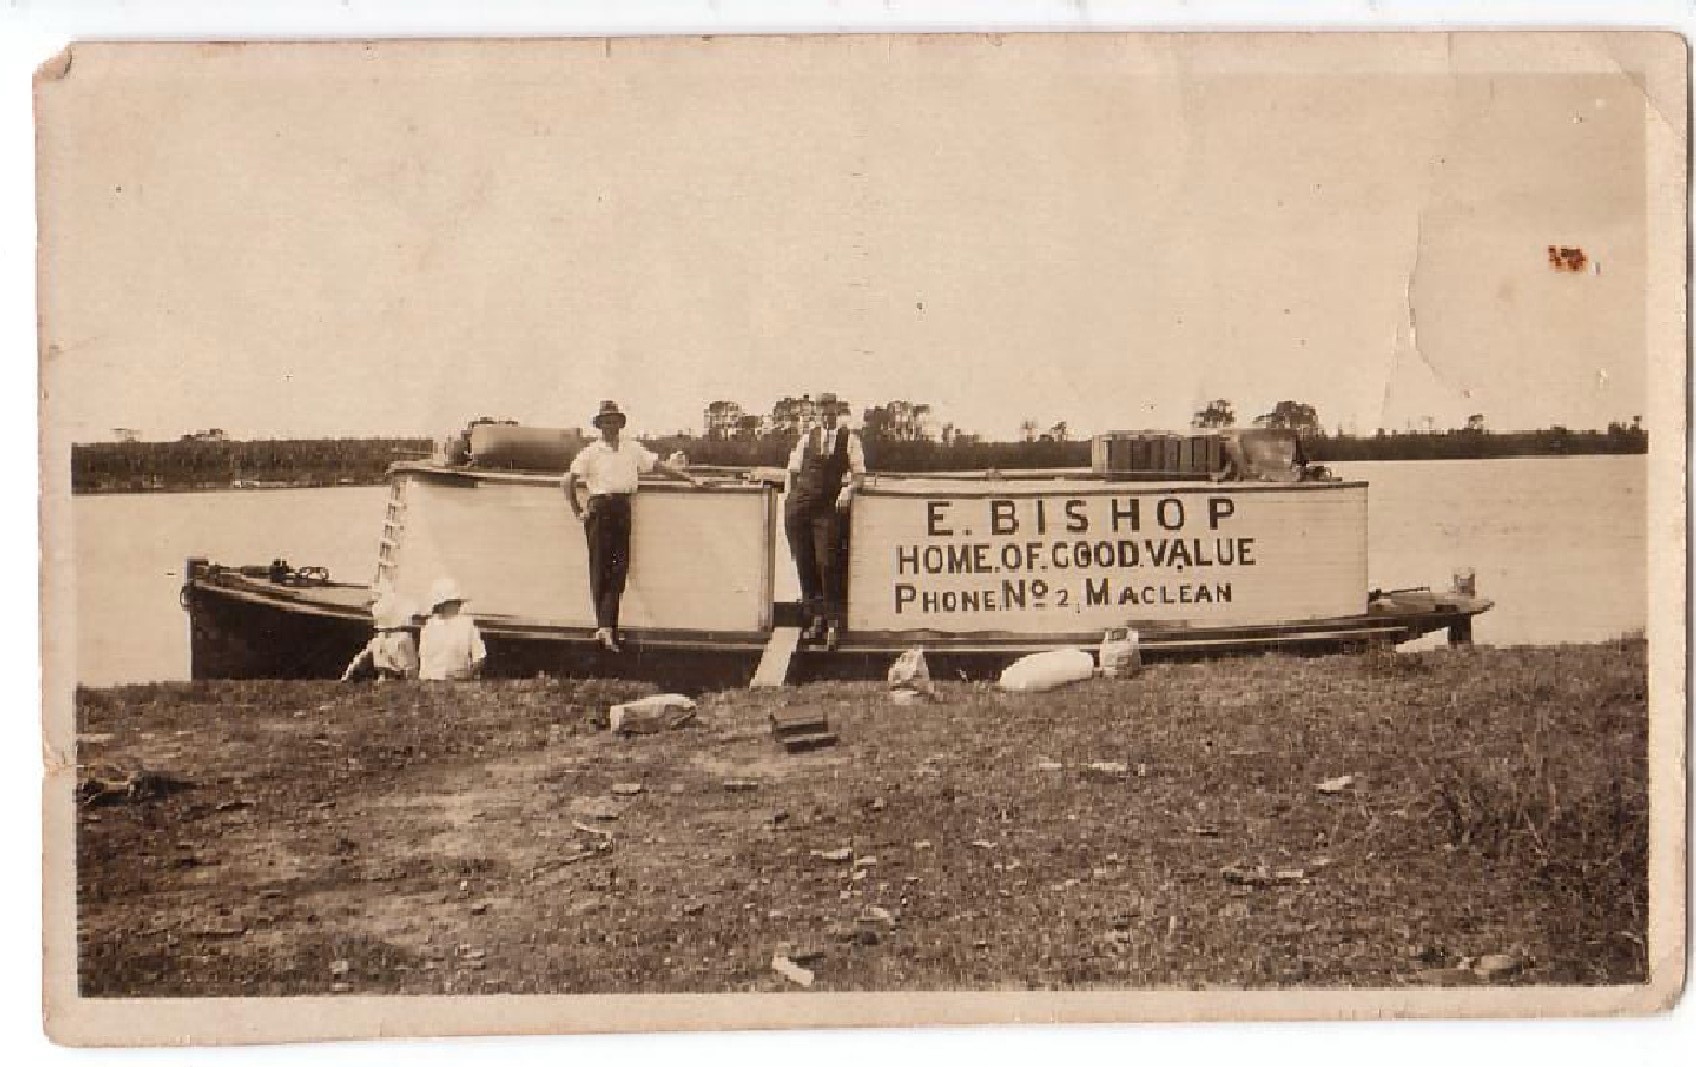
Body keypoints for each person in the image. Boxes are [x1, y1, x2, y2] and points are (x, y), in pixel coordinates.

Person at [563, 400, 699, 652]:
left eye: (614, 421)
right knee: (600, 568)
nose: (610, 425)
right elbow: (567, 480)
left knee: (619, 569)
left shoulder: (632, 448)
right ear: (599, 425)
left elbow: (659, 467)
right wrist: (577, 510)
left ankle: (608, 629)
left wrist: (690, 479)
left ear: (620, 424)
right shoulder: (591, 452)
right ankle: (605, 629)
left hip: (622, 508)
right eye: (605, 421)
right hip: (600, 507)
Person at [785, 399, 866, 650]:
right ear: (818, 414)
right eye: (823, 413)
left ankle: (832, 623)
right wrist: (789, 498)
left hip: (826, 509)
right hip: (800, 506)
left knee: (827, 562)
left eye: (831, 413)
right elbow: (792, 470)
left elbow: (860, 474)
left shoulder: (849, 439)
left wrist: (848, 490)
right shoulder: (807, 438)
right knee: (804, 561)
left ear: (837, 413)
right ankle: (815, 619)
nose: (827, 418)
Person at [340, 585, 418, 681]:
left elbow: (410, 671)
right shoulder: (382, 640)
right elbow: (362, 659)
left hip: (394, 681)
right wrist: (348, 674)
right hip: (387, 681)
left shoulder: (400, 640)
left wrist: (348, 675)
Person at [418, 577, 486, 681]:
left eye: (457, 602)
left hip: (461, 680)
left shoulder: (467, 624)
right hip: (433, 681)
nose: (458, 605)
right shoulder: (429, 626)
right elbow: (424, 662)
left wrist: (469, 673)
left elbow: (480, 655)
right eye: (453, 602)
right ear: (441, 605)